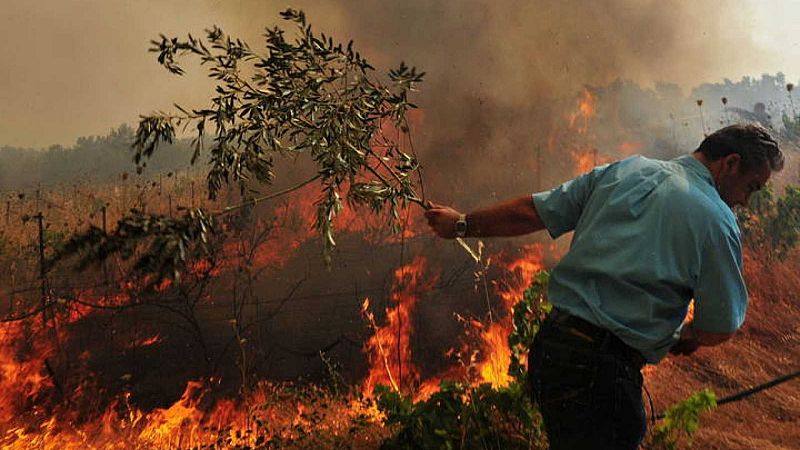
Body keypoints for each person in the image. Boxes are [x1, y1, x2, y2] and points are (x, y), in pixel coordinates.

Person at [424, 124, 783, 450]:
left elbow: (530, 212)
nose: (745, 200)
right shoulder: (716, 219)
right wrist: (687, 334)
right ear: (730, 163)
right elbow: (720, 325)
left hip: (552, 351)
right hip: (602, 373)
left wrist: (461, 224)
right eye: (752, 186)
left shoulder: (625, 170)